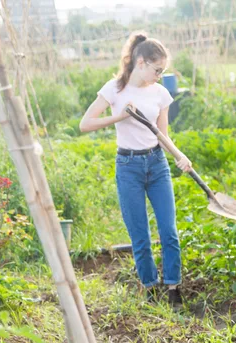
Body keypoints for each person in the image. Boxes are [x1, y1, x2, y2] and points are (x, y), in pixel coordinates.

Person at [79, 31, 192, 306]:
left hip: (157, 164)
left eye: (163, 70)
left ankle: (174, 288)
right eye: (156, 70)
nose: (159, 75)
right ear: (140, 63)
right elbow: (85, 124)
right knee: (139, 235)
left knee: (169, 231)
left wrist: (180, 156)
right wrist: (119, 116)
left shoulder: (160, 93)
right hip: (128, 167)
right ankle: (150, 288)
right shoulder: (114, 89)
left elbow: (162, 135)